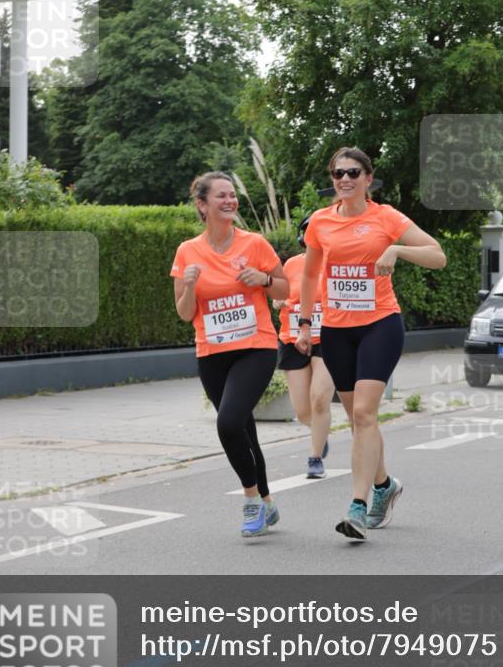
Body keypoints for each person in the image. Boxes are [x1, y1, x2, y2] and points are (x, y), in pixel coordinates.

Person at [296, 147, 446, 542]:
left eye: (353, 172)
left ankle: (357, 507)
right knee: (359, 419)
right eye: (338, 173)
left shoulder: (386, 217)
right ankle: (384, 485)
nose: (344, 179)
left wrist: (396, 249)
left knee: (363, 412)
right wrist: (305, 323)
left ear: (368, 178)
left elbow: (438, 255)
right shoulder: (320, 223)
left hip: (380, 324)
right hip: (337, 330)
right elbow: (310, 276)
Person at [172, 172, 289, 538]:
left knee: (227, 422)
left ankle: (251, 499)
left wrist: (265, 281)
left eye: (233, 195)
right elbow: (184, 312)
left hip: (255, 346)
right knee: (243, 431)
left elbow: (286, 289)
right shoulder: (187, 251)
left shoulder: (254, 244)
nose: (230, 201)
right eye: (221, 196)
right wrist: (189, 285)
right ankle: (268, 503)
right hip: (212, 352)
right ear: (203, 205)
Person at [274, 216, 335, 479]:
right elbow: (281, 295)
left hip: (328, 339)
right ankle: (319, 435)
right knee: (302, 411)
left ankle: (314, 457)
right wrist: (279, 302)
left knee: (320, 398)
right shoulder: (292, 264)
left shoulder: (336, 263)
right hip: (292, 338)